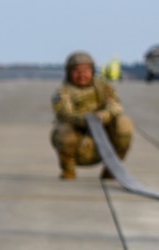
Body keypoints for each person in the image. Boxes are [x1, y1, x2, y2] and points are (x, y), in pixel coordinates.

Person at [51, 50, 134, 179]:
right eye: (77, 71)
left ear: (92, 71)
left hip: (104, 140)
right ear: (69, 73)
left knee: (124, 123)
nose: (82, 75)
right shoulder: (63, 93)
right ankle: (68, 171)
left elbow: (116, 106)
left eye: (85, 71)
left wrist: (104, 116)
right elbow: (65, 114)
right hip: (78, 143)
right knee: (63, 131)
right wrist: (87, 120)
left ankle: (112, 170)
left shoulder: (103, 88)